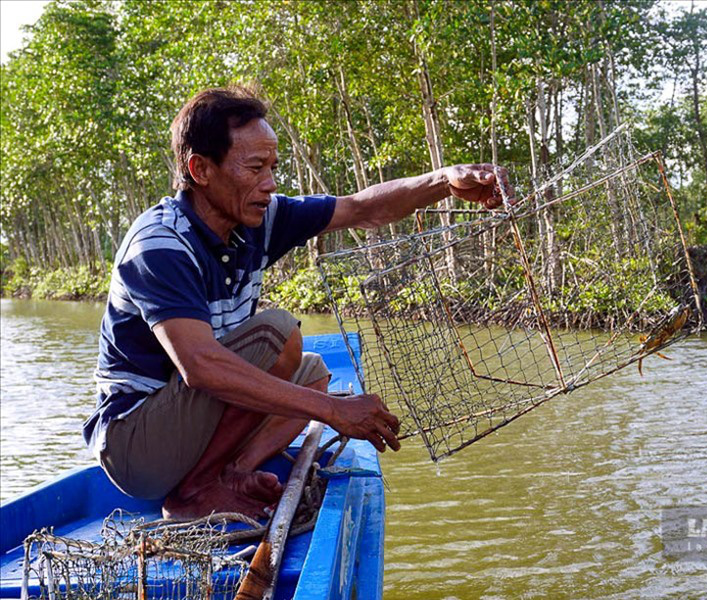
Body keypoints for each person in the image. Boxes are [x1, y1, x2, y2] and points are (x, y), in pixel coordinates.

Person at [83, 85, 512, 519]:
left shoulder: (257, 216)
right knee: (278, 332)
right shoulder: (160, 243)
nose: (269, 184)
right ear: (200, 169)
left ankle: (229, 475)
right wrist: (333, 412)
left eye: (272, 167)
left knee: (311, 374)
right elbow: (200, 365)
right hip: (135, 446)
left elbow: (361, 209)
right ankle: (193, 493)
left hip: (187, 429)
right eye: (254, 168)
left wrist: (443, 181)